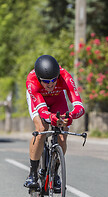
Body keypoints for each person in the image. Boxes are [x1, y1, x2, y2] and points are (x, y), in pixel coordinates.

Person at [24, 55, 85, 188]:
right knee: (42, 128)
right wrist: (52, 118)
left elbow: (80, 107)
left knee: (63, 133)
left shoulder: (65, 77)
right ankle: (32, 174)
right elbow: (43, 112)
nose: (51, 84)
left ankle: (55, 173)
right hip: (39, 100)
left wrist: (71, 116)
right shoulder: (32, 82)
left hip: (58, 99)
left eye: (53, 80)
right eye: (46, 81)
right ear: (39, 79)